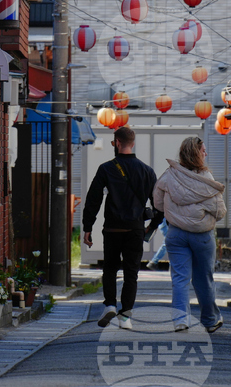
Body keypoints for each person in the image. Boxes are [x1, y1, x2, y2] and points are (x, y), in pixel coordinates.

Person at [82, 126, 157, 330]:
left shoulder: (106, 168)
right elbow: (158, 203)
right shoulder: (147, 171)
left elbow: (93, 199)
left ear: (117, 142)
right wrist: (153, 225)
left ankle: (109, 305)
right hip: (135, 229)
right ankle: (125, 317)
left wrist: (87, 227)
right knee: (131, 273)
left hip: (112, 229)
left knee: (110, 268)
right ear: (133, 144)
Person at [153, 136, 226, 333]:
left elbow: (158, 203)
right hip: (202, 235)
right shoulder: (207, 179)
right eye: (203, 150)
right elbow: (220, 211)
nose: (206, 153)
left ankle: (180, 320)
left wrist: (174, 211)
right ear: (196, 154)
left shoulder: (170, 175)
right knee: (203, 279)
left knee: (179, 278)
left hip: (176, 233)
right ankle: (210, 320)